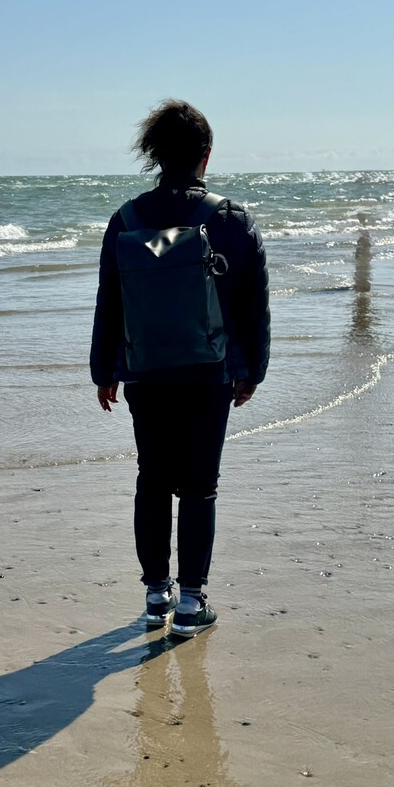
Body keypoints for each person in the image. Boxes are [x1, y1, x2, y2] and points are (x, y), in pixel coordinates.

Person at [90, 100, 270, 636]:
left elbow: (109, 301)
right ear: (206, 156)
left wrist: (104, 371)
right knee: (199, 486)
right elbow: (254, 305)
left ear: (155, 155)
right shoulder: (232, 219)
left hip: (145, 372)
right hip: (210, 372)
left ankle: (155, 596)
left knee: (151, 479)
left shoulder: (125, 220)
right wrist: (252, 371)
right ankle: (191, 603)